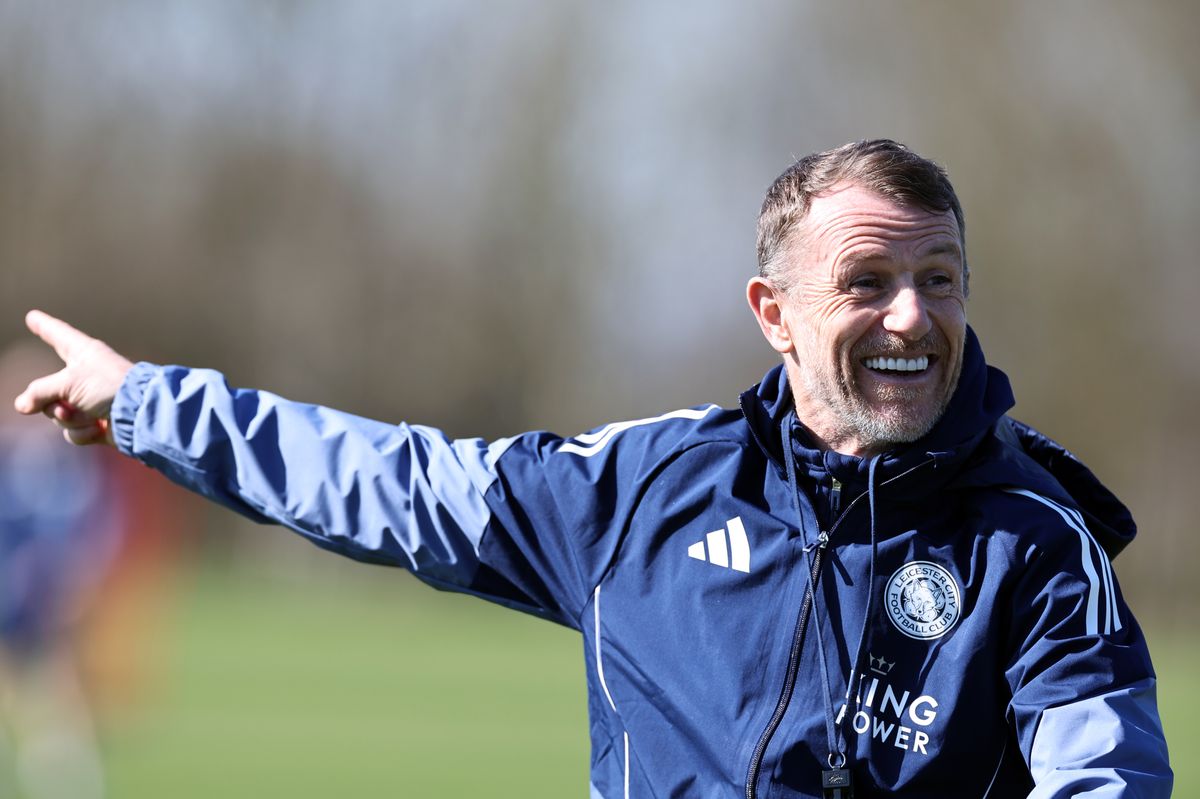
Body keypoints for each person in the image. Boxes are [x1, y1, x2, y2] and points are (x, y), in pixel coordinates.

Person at [12, 140, 1172, 797]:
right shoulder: (643, 490)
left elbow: (1107, 781)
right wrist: (152, 405)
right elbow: (392, 481)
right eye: (868, 281)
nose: (913, 317)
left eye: (941, 277)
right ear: (774, 313)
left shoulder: (1035, 541)